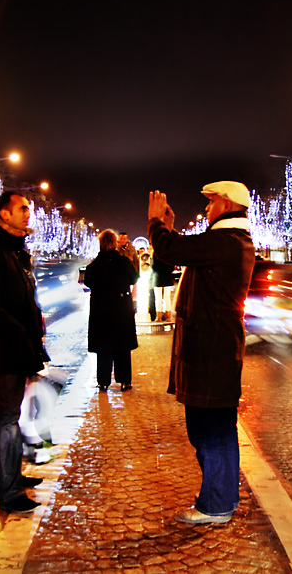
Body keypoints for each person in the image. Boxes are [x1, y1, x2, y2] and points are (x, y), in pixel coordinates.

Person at [147, 181, 256, 525]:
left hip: (211, 353)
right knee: (213, 429)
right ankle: (220, 498)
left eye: (210, 203)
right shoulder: (227, 242)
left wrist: (156, 224)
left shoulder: (226, 241)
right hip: (215, 351)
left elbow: (172, 250)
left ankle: (217, 504)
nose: (207, 209)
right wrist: (169, 228)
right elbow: (186, 250)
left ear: (225, 204)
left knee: (211, 431)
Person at [0, 190, 50, 514]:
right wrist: (21, 335)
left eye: (28, 209)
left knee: (13, 415)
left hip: (19, 346)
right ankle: (6, 488)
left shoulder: (15, 251)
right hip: (6, 348)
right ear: (3, 214)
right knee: (6, 417)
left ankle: (13, 474)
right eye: (21, 209)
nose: (27, 214)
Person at [83, 229, 139, 391]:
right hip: (121, 308)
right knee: (122, 346)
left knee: (103, 348)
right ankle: (125, 380)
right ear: (115, 243)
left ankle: (103, 381)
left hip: (101, 310)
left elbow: (88, 282)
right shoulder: (123, 262)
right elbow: (135, 277)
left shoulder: (94, 265)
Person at [151, 254, 176, 322]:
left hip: (157, 277)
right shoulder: (168, 254)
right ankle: (168, 316)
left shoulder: (155, 254)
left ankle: (159, 316)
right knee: (167, 297)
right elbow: (172, 268)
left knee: (158, 298)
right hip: (167, 277)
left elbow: (153, 266)